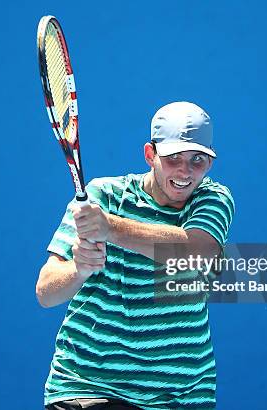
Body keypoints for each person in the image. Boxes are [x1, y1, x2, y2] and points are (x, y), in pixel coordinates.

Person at [36, 101, 235, 409]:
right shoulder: (102, 195)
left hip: (181, 397)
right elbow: (46, 293)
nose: (185, 171)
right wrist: (79, 268)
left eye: (198, 159)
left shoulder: (213, 198)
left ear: (209, 163)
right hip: (89, 387)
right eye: (173, 158)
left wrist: (110, 227)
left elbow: (198, 251)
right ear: (150, 155)